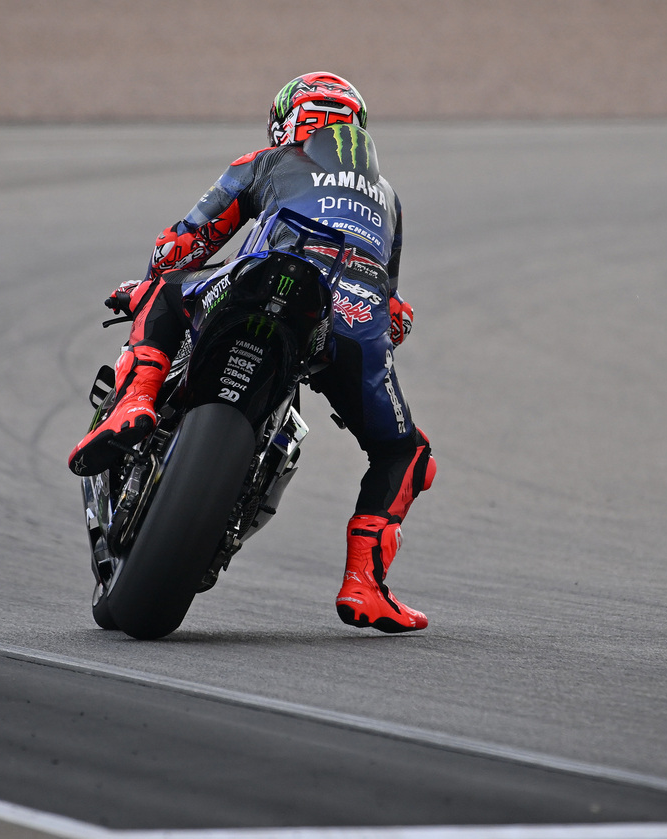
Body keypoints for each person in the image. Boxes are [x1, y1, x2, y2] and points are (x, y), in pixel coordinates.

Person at [69, 72, 435, 633]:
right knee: (406, 453)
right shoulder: (388, 198)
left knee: (165, 294)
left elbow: (180, 247)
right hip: (354, 317)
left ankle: (135, 402)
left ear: (288, 123)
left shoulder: (265, 162)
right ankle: (366, 584)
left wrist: (144, 281)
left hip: (264, 279)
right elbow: (396, 308)